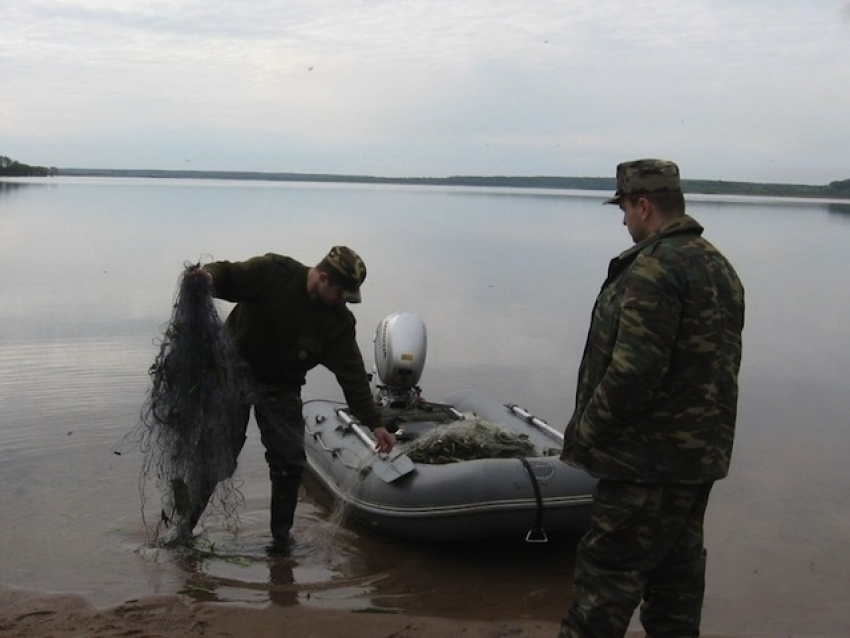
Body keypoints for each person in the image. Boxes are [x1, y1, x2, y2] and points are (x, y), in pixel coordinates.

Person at [559, 159, 745, 637]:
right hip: (696, 465)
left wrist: (585, 433)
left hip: (642, 466)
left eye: (623, 207)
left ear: (644, 206)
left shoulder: (654, 269)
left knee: (602, 591)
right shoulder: (719, 267)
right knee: (676, 594)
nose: (623, 219)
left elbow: (633, 373)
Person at [179, 246, 395, 548]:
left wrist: (375, 423)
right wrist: (208, 277)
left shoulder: (338, 324)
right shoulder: (273, 272)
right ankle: (182, 529)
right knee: (217, 458)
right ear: (322, 277)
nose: (342, 302)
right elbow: (230, 275)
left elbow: (353, 375)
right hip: (231, 377)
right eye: (341, 294)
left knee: (289, 463)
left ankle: (281, 539)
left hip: (281, 387)